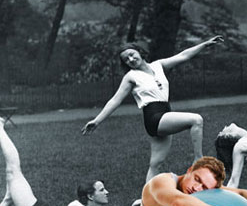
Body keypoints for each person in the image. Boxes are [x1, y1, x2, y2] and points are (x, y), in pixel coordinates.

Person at [82, 36, 223, 183]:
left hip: (165, 113)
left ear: (140, 52)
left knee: (155, 165)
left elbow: (183, 55)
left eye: (132, 54)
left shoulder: (158, 65)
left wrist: (205, 44)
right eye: (126, 59)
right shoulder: (131, 76)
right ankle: (198, 160)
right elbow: (115, 100)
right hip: (153, 117)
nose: (130, 59)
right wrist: (97, 121)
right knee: (196, 120)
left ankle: (145, 202)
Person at [0, 118, 139, 206]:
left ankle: (8, 198)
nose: (107, 192)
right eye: (102, 190)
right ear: (90, 196)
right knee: (13, 170)